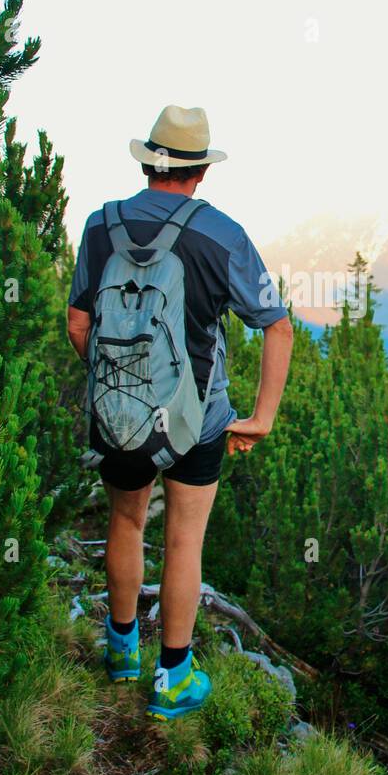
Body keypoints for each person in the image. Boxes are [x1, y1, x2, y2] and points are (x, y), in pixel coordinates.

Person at [66, 105, 293, 721]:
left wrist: (116, 386)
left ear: (147, 163)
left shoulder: (98, 225)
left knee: (126, 521)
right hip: (200, 419)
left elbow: (79, 321)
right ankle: (173, 678)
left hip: (118, 415)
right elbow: (277, 326)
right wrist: (262, 416)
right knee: (183, 540)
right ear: (200, 173)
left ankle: (118, 653)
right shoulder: (222, 235)